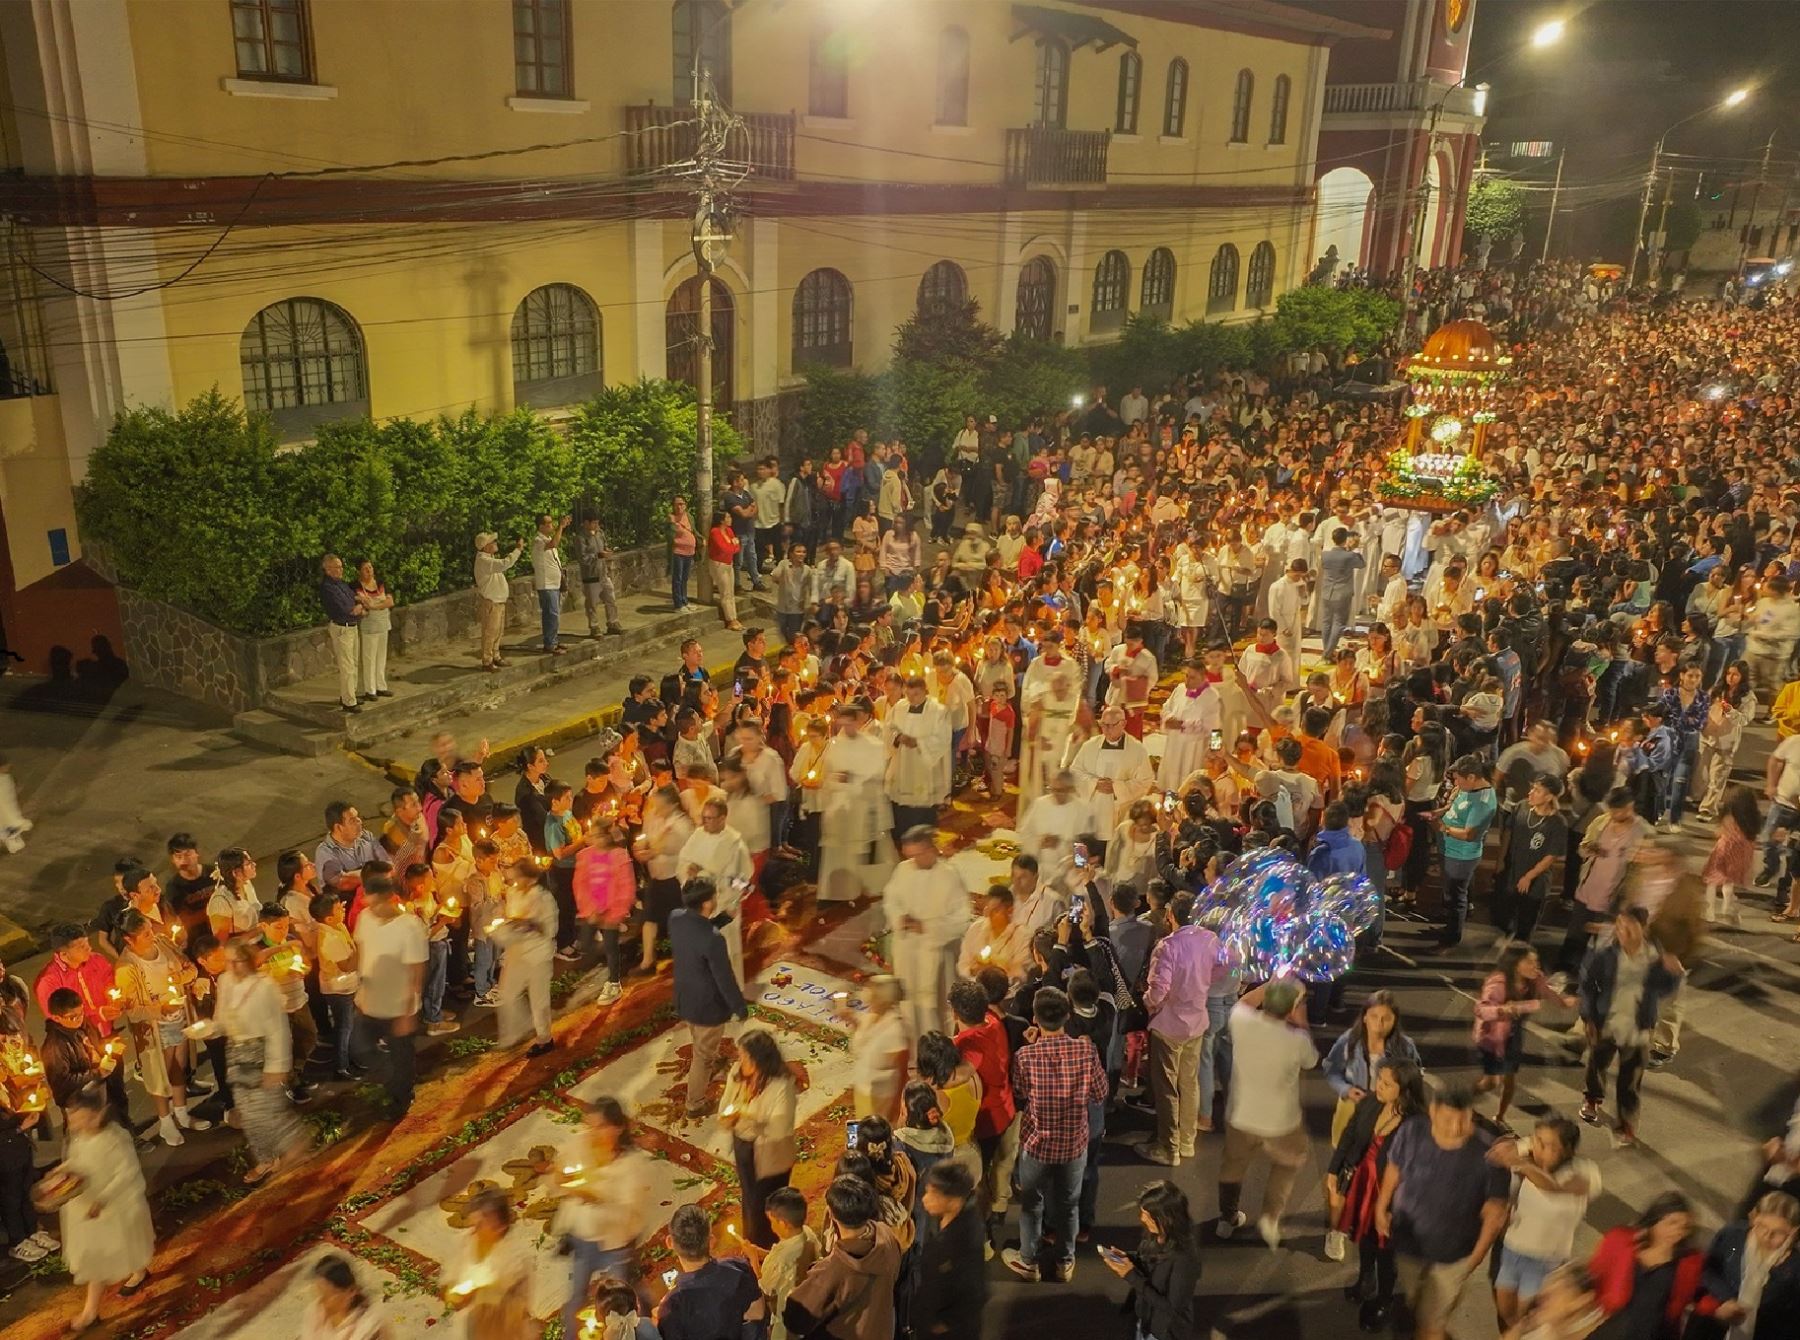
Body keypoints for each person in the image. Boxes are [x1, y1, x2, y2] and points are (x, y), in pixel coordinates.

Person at [1375, 1085, 1510, 1340]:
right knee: (1416, 1303)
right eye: (1448, 1119)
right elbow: (1395, 1166)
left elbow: (1495, 1214)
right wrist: (1381, 1206)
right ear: (1433, 1112)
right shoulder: (1413, 1130)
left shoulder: (1489, 1153)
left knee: (1430, 1323)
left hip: (1453, 1257)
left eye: (1463, 1120)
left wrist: (1475, 1258)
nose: (1455, 1128)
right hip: (1408, 1246)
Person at [1003, 985, 1107, 1284]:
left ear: (1035, 1019)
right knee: (1069, 1205)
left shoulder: (1024, 1056)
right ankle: (1065, 1262)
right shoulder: (1086, 1050)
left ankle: (1029, 1262)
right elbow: (1100, 1093)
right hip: (1074, 1144)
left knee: (1031, 1205)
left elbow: (1021, 1094)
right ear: (1068, 1015)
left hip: (1037, 1145)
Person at [1217, 979, 1317, 1249]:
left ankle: (1227, 1217)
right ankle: (1270, 1218)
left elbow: (1244, 1002)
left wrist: (1271, 984)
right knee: (1287, 1164)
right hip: (1280, 1120)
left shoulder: (1243, 1023)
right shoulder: (1296, 1040)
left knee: (1233, 1167)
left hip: (1241, 1114)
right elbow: (1311, 1061)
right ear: (1292, 1009)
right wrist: (1301, 1021)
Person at [1325, 1060, 1427, 1327]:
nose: (1377, 1087)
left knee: (1386, 1250)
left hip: (1390, 1196)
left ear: (1404, 1089)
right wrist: (1333, 1171)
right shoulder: (1371, 1102)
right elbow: (1349, 1135)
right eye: (1378, 1080)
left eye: (1386, 1084)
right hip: (1362, 1184)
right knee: (1364, 1237)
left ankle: (1384, 1298)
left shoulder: (1416, 1124)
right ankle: (1365, 1281)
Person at [1577, 906, 1684, 1147]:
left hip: (1638, 1026)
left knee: (1631, 1077)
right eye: (1619, 926)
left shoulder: (1656, 957)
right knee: (1597, 1063)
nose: (1622, 932)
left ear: (1643, 929)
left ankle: (1627, 1123)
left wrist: (1673, 974)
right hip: (1607, 1020)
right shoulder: (1606, 953)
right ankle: (1592, 1098)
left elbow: (1662, 990)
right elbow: (1587, 986)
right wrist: (1588, 1017)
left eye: (1629, 927)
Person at [56, 1084, 154, 1334]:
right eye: (71, 1117)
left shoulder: (114, 1138)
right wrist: (63, 1170)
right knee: (95, 1255)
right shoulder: (78, 1138)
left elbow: (126, 1171)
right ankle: (91, 1310)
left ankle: (137, 1270)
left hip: (113, 1205)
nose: (74, 1122)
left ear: (96, 1115)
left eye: (79, 1116)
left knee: (120, 1244)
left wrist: (104, 1199)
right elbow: (79, 1161)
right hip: (88, 1207)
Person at [1490, 1117, 1602, 1330]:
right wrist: (1514, 1147)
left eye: (1548, 1145)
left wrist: (1520, 1163)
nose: (1539, 1149)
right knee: (1505, 1311)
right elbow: (1516, 1145)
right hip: (1512, 1250)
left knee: (1527, 1321)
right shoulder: (1530, 1158)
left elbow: (1552, 1188)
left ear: (1568, 1150)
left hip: (1545, 1261)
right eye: (1537, 1141)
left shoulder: (1585, 1173)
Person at [555, 1096, 652, 1340]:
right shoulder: (579, 1144)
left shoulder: (632, 1164)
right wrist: (561, 1180)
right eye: (590, 1126)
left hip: (616, 1244)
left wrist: (597, 1198)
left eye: (600, 1127)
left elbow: (629, 1213)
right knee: (576, 1297)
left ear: (618, 1128)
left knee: (620, 1302)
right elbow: (559, 1173)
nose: (593, 1133)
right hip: (583, 1239)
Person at [214, 934, 308, 1185]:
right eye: (228, 962)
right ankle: (266, 1159)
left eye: (238, 962)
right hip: (236, 1051)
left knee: (267, 1109)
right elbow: (222, 1018)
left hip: (260, 1051)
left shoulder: (265, 986)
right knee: (247, 1111)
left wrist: (277, 1067)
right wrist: (209, 1029)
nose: (232, 968)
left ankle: (294, 1142)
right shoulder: (224, 981)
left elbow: (278, 1028)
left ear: (251, 960)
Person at [114, 910, 210, 1146]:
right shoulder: (126, 967)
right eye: (145, 933)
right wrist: (159, 1009)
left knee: (180, 1065)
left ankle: (182, 1113)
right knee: (159, 1073)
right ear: (129, 939)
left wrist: (179, 979)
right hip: (153, 1027)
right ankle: (166, 1122)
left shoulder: (163, 943)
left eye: (150, 929)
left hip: (178, 1015)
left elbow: (190, 968)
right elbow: (133, 1009)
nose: (151, 935)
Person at [1138, 890, 1218, 1168]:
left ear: (1171, 915)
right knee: (1189, 1082)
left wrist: (1147, 1003)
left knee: (1167, 1088)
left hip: (1169, 1024)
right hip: (1197, 1022)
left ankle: (1167, 1147)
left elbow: (1159, 990)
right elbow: (1227, 968)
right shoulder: (1210, 939)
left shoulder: (1167, 946)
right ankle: (1186, 1142)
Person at [782, 1175, 903, 1340]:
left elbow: (796, 1320)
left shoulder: (833, 1269)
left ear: (831, 1214)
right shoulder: (886, 1235)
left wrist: (791, 1294)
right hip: (882, 1330)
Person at [670, 877, 748, 1120]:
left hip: (686, 997)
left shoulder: (676, 918)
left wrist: (724, 917)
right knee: (702, 1057)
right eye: (713, 897)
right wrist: (739, 1007)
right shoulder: (714, 939)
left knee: (699, 1043)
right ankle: (695, 1104)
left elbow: (697, 934)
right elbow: (724, 979)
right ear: (707, 902)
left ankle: (708, 1064)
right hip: (707, 1006)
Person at [883, 826, 971, 1040]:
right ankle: (913, 1045)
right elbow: (890, 899)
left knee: (938, 1006)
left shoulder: (948, 876)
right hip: (908, 951)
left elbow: (962, 917)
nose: (916, 860)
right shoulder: (903, 870)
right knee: (909, 1004)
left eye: (920, 854)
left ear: (931, 849)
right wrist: (900, 917)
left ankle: (940, 1046)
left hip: (937, 953)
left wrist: (928, 928)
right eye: (911, 856)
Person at [352, 875, 427, 1118]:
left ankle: (401, 1098)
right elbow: (362, 954)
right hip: (370, 1000)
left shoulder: (410, 926)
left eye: (375, 903)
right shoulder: (365, 919)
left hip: (398, 1006)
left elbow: (417, 969)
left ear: (391, 899)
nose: (371, 909)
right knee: (360, 1048)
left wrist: (407, 1012)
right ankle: (394, 1079)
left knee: (401, 1056)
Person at [1475, 946, 1573, 1124]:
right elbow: (1481, 1010)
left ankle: (1500, 1117)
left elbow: (1547, 991)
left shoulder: (1535, 980)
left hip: (1513, 1036)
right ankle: (1466, 1101)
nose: (1535, 966)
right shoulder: (1498, 984)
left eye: (1536, 961)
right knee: (1491, 1083)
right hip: (1492, 1038)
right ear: (1515, 965)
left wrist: (1563, 1003)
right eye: (1529, 962)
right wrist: (1503, 1009)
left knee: (1509, 1079)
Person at [1585, 1192, 1703, 1339]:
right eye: (1672, 1223)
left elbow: (1698, 1294)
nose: (1677, 1231)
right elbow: (1594, 1274)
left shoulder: (1689, 1262)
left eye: (1684, 1226)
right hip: (1609, 1331)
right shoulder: (1620, 1241)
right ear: (1655, 1220)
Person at [720, 1028, 798, 1249]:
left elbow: (780, 1127)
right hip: (744, 1147)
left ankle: (767, 1251)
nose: (740, 1060)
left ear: (760, 1059)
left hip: (772, 1154)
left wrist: (746, 1113)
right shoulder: (737, 1073)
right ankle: (751, 1246)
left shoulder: (781, 1084)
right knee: (749, 1199)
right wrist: (729, 1115)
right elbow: (724, 1108)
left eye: (745, 1056)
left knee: (766, 1206)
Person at [1098, 1179, 1203, 1340]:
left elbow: (1171, 1308)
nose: (1142, 1219)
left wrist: (1131, 1275)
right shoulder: (1156, 1236)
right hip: (1145, 1321)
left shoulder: (1185, 1258)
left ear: (1168, 1218)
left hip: (1164, 1332)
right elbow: (1149, 1260)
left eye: (1148, 1216)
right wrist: (1128, 1258)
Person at [1694, 1190, 1800, 1340]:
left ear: (1794, 1232)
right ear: (1754, 1218)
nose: (1766, 1236)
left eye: (1778, 1232)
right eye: (1762, 1226)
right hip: (1715, 1327)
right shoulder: (1732, 1237)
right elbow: (1709, 1270)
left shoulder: (1794, 1266)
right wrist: (1727, 1299)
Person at [1323, 990, 1420, 1145]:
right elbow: (1332, 1071)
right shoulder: (1349, 1040)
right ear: (1365, 1017)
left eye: (1386, 1018)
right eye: (1374, 1016)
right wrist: (1346, 1089)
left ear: (1395, 1020)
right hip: (1353, 1106)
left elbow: (1414, 1079)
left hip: (1387, 1109)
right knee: (1344, 1150)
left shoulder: (1405, 1047)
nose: (1379, 1024)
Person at [658, 1202, 764, 1340]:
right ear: (711, 1241)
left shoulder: (671, 1306)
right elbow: (758, 1313)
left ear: (669, 1242)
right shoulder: (738, 1269)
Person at [492, 859, 559, 1057]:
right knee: (507, 994)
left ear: (531, 879)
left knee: (539, 1000)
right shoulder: (512, 893)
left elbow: (549, 928)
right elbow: (510, 918)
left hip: (538, 955)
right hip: (516, 953)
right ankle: (514, 1032)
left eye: (518, 876)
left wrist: (526, 923)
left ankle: (544, 1039)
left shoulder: (543, 898)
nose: (514, 880)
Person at [445, 1188, 533, 1339]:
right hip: (469, 1326)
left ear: (501, 1226)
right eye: (475, 1219)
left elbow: (514, 1304)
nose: (476, 1225)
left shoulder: (515, 1258)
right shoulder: (464, 1242)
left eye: (484, 1220)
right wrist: (453, 1294)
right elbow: (450, 1279)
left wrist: (478, 1295)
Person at [913, 1161, 987, 1338]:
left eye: (933, 1194)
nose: (925, 1199)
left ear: (953, 1201)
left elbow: (974, 1289)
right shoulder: (957, 1221)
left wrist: (946, 1323)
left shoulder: (960, 1240)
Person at [1431, 754, 1498, 949]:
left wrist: (1444, 828)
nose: (1456, 783)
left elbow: (1470, 834)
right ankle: (1448, 925)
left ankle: (1453, 935)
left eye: (1459, 779)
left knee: (1457, 895)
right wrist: (1438, 813)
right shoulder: (1467, 788)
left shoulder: (1483, 802)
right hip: (1449, 849)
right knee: (1450, 893)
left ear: (1471, 777)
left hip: (1461, 856)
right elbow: (1452, 808)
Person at [750, 1186, 822, 1340]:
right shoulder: (808, 1233)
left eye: (772, 1221)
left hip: (787, 1323)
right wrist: (761, 1252)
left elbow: (764, 1289)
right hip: (812, 1307)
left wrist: (753, 1259)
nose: (771, 1226)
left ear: (783, 1224)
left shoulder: (779, 1259)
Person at [841, 975, 910, 1123]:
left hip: (881, 1096)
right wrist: (850, 1020)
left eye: (872, 993)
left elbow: (902, 1072)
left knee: (877, 1135)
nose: (867, 996)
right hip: (863, 1088)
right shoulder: (871, 1016)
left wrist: (897, 1105)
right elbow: (864, 1040)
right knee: (862, 1127)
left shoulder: (896, 1030)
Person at [301, 1252, 388, 1340]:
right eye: (320, 1293)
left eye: (329, 1295)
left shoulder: (369, 1326)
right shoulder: (316, 1311)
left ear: (350, 1291)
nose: (322, 1301)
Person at [473, 532, 524, 672]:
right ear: (486, 546)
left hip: (498, 601)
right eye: (493, 542)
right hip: (492, 602)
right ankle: (487, 660)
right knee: (490, 632)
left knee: (498, 631)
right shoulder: (484, 560)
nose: (496, 543)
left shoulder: (489, 558)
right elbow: (505, 563)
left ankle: (495, 656)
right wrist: (517, 550)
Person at [319, 553, 363, 712]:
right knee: (347, 665)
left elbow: (353, 598)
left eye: (341, 567)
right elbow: (343, 609)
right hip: (342, 628)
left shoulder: (342, 584)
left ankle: (350, 694)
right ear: (328, 569)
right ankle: (348, 701)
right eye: (337, 567)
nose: (340, 570)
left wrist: (357, 605)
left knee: (354, 662)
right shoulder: (327, 588)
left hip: (352, 626)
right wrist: (356, 609)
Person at [575, 514, 625, 638]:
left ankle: (613, 622)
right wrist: (597, 555)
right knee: (592, 602)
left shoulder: (599, 533)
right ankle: (594, 626)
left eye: (597, 523)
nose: (596, 526)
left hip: (603, 572)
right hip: (591, 574)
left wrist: (607, 551)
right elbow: (582, 558)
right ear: (586, 522)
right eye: (594, 523)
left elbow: (604, 545)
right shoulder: (580, 537)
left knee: (610, 598)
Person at [352, 559, 395, 701]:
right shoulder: (356, 586)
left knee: (381, 656)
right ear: (360, 571)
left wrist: (373, 606)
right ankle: (370, 690)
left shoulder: (381, 583)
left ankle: (381, 686)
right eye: (365, 568)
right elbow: (359, 603)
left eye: (370, 567)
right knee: (369, 657)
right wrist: (377, 604)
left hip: (383, 624)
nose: (369, 571)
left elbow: (390, 602)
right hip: (369, 626)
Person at [531, 512, 571, 655]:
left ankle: (553, 639)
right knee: (551, 613)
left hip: (554, 583)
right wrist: (561, 526)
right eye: (548, 523)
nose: (551, 526)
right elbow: (554, 543)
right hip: (546, 584)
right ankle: (550, 643)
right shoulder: (538, 541)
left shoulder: (547, 539)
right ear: (541, 526)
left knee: (554, 614)